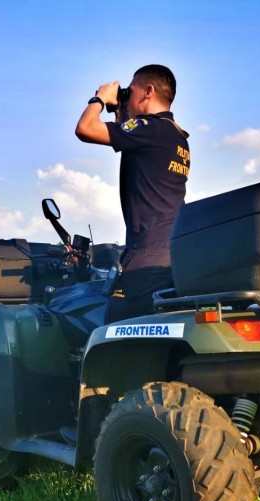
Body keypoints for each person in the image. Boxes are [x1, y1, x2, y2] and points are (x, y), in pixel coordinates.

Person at [75, 64, 190, 323]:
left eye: (132, 89)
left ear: (148, 92)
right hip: (171, 250)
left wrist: (100, 99)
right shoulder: (175, 135)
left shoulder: (151, 128)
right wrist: (119, 110)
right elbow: (126, 134)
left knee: (113, 330)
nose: (128, 94)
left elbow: (85, 128)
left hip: (147, 253)